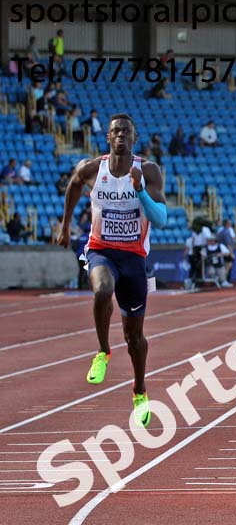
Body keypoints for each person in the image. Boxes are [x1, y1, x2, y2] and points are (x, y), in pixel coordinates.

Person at [57, 114, 167, 427]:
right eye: (115, 130)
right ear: (108, 137)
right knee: (102, 288)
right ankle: (103, 352)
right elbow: (74, 186)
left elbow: (160, 220)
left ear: (134, 137)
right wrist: (65, 226)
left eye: (126, 131)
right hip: (100, 250)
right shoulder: (92, 168)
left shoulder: (148, 170)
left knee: (135, 338)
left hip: (134, 257)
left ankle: (140, 389)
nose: (120, 135)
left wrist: (140, 191)